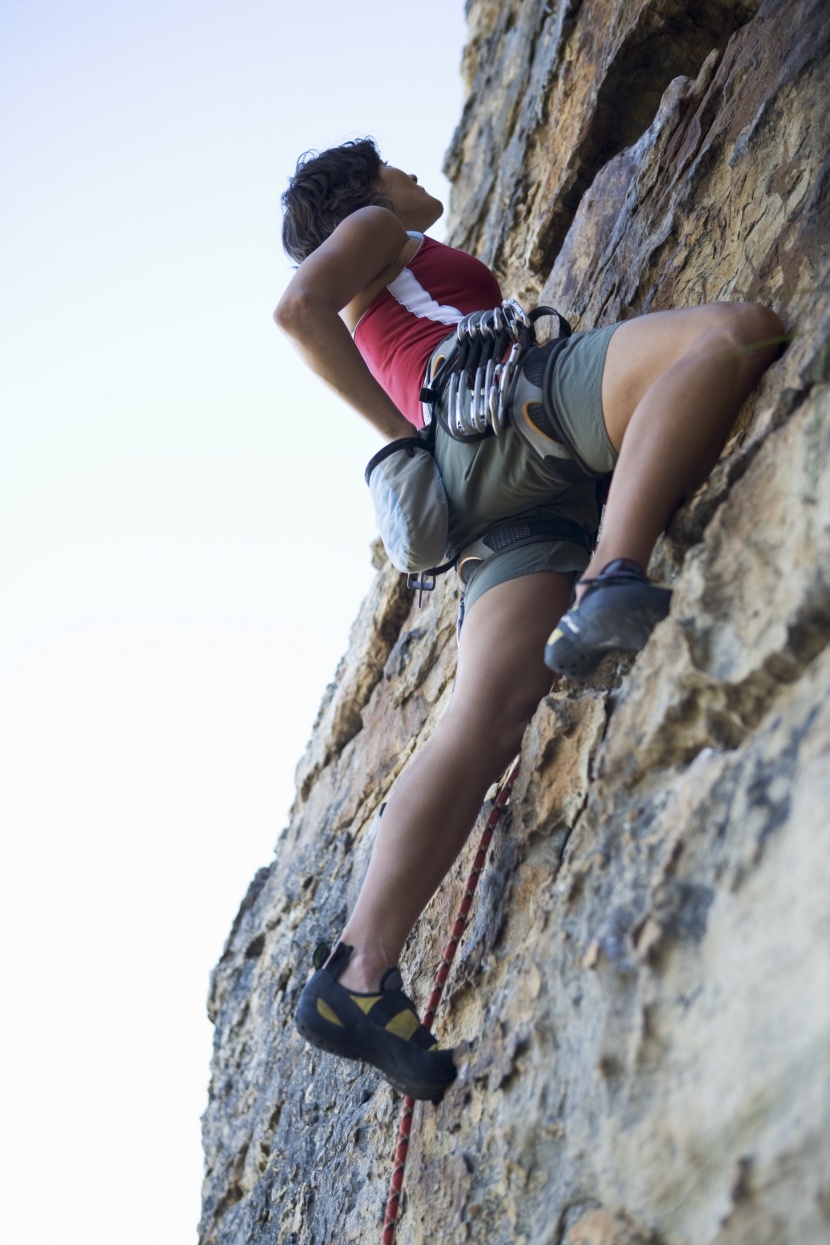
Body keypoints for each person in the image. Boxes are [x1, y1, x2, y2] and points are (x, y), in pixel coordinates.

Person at [274, 138, 782, 1101]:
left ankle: (357, 972)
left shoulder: (383, 296)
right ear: (363, 189)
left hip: (492, 502)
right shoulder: (379, 231)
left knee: (484, 721)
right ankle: (612, 576)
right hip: (509, 412)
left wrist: (425, 436)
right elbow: (297, 307)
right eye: (396, 165)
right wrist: (404, 436)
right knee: (732, 331)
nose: (417, 177)